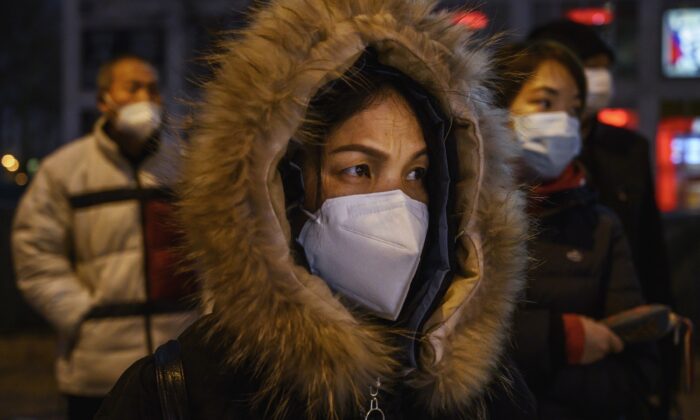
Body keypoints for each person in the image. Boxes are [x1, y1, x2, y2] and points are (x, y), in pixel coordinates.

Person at [95, 1, 538, 418]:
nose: (397, 203)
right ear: (284, 186)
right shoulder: (184, 389)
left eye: (417, 175)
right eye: (359, 169)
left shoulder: (485, 394)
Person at [12, 55, 199, 420]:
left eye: (152, 89)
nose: (146, 97)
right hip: (98, 371)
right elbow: (34, 251)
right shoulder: (65, 170)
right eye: (133, 87)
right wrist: (80, 316)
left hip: (183, 365)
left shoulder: (189, 165)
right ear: (103, 100)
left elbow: (218, 251)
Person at [494, 41, 661, 419]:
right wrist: (559, 339)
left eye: (573, 110)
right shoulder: (459, 219)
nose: (564, 123)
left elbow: (637, 366)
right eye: (544, 103)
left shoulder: (599, 226)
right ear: (497, 110)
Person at [529, 21, 678, 419]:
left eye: (572, 108)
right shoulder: (471, 209)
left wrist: (661, 376)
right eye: (544, 103)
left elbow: (650, 254)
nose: (599, 78)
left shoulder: (622, 160)